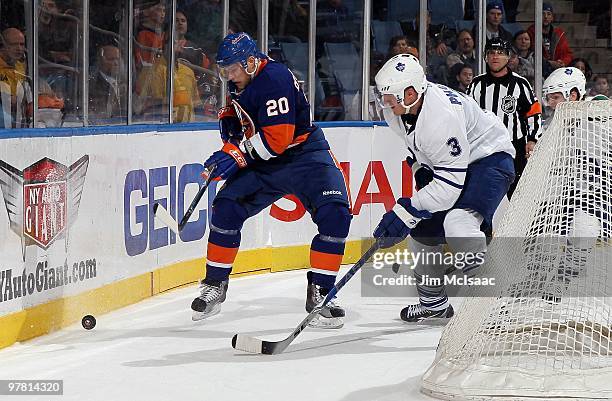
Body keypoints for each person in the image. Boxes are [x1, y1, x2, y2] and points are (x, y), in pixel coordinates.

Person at [192, 33, 352, 328]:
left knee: (336, 214)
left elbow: (277, 142)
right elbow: (240, 126)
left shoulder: (274, 79)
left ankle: (321, 291)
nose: (228, 76)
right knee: (226, 207)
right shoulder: (241, 80)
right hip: (266, 161)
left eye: (233, 69)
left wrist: (236, 156)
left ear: (251, 62)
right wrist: (229, 146)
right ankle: (215, 284)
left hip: (306, 156)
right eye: (224, 70)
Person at [373, 54, 515, 322]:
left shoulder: (440, 118)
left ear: (411, 93)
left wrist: (407, 210)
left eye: (390, 96)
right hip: (459, 164)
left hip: (489, 158)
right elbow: (421, 149)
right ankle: (433, 302)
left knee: (458, 223)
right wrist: (419, 167)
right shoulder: (401, 109)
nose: (385, 102)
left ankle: (495, 306)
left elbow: (449, 187)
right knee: (422, 231)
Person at [467, 38, 542, 199]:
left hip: (515, 148)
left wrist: (532, 139)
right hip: (483, 148)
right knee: (480, 197)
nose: (495, 57)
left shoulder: (520, 84)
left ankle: (521, 225)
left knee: (518, 198)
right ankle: (483, 226)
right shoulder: (476, 84)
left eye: (500, 53)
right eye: (491, 53)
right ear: (485, 57)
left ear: (508, 57)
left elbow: (533, 112)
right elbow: (466, 115)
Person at [527, 2, 573, 76]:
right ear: (537, 16)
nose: (545, 17)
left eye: (548, 14)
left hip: (557, 72)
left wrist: (562, 62)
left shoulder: (558, 33)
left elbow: (568, 54)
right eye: (543, 14)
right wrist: (548, 63)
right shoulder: (531, 32)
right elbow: (529, 54)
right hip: (537, 72)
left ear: (552, 17)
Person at [0, 27, 31, 128]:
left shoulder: (21, 67)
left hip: (17, 111)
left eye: (22, 44)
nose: (19, 48)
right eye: (14, 44)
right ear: (3, 46)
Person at [89, 45, 125, 123]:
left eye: (118, 59)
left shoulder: (124, 83)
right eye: (111, 59)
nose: (116, 63)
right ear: (100, 61)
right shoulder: (92, 85)